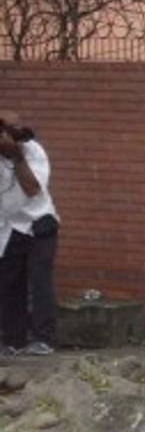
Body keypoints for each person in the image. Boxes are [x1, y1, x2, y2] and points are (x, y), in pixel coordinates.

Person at [0, 110, 59, 356]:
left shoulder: (32, 150)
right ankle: (14, 339)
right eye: (11, 129)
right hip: (10, 226)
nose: (18, 133)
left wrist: (17, 158)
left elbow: (33, 189)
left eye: (18, 127)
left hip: (39, 222)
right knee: (9, 284)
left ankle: (44, 338)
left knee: (39, 281)